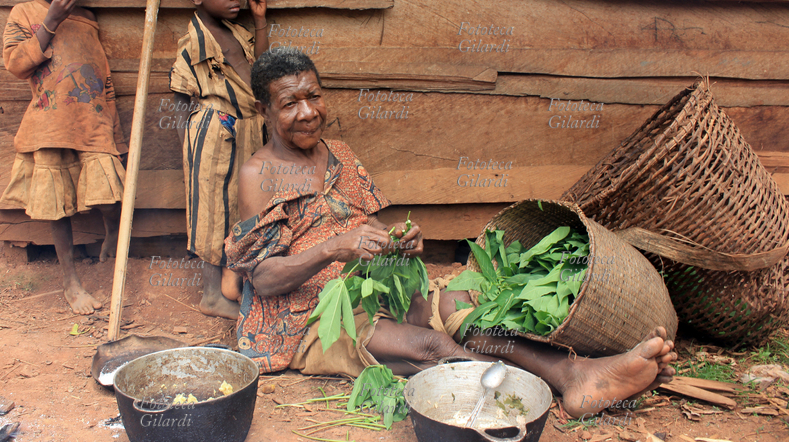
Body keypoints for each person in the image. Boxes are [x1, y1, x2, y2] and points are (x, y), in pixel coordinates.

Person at [224, 48, 678, 418]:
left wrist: (399, 242)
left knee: (461, 307)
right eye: (289, 104)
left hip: (367, 286)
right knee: (432, 345)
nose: (307, 113)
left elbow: (368, 226)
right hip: (310, 317)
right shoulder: (258, 175)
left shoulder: (337, 153)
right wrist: (333, 247)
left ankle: (577, 376)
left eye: (314, 96)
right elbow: (262, 278)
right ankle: (555, 385)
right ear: (263, 109)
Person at [0, 0, 128, 315]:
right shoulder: (25, 14)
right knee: (58, 208)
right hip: (50, 130)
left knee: (109, 196)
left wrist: (114, 130)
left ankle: (110, 235)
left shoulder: (88, 19)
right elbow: (16, 64)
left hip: (92, 126)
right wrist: (50, 21)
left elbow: (102, 78)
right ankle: (70, 281)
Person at [169, 0, 269, 319]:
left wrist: (260, 22)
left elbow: (260, 72)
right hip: (214, 136)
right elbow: (181, 97)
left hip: (248, 132)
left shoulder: (235, 34)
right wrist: (191, 150)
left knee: (243, 207)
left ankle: (240, 284)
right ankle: (211, 295)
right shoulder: (194, 45)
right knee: (212, 212)